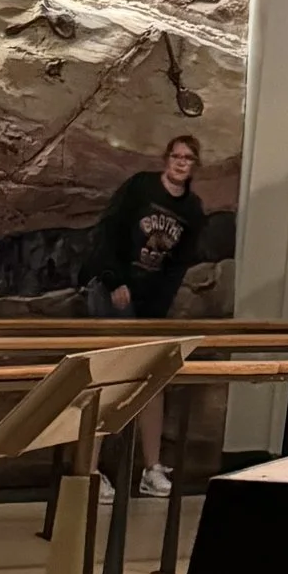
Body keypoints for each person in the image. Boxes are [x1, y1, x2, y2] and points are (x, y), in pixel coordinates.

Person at [84, 133, 205, 494]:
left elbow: (176, 267)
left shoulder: (192, 210)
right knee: (109, 375)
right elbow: (109, 232)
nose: (181, 163)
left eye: (188, 159)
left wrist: (155, 312)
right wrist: (113, 279)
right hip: (113, 291)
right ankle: (88, 469)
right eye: (176, 156)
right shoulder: (140, 188)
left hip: (148, 303)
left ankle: (151, 467)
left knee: (154, 376)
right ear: (166, 159)